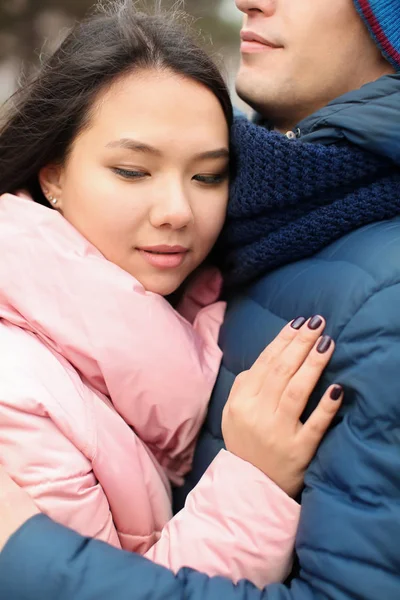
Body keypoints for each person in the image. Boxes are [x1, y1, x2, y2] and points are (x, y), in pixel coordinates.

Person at [1, 0, 400, 598]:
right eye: (133, 171)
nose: (177, 212)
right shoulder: (21, 389)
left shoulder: (205, 287)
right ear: (52, 175)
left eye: (209, 176)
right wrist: (252, 478)